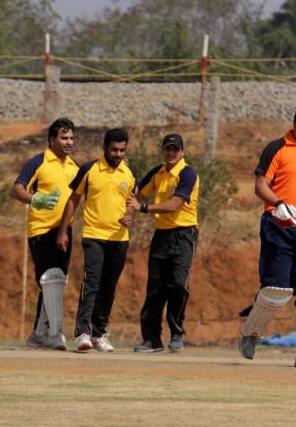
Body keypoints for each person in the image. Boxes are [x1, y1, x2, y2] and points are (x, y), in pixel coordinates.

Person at [238, 104, 296, 368]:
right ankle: (252, 332)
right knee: (277, 290)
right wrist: (278, 203)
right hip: (280, 227)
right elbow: (260, 186)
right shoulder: (277, 148)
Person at [57, 128, 137, 353]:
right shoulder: (89, 170)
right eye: (114, 149)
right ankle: (82, 332)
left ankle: (99, 333)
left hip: (119, 238)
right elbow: (72, 201)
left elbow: (134, 202)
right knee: (91, 282)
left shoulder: (130, 173)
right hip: (93, 236)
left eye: (122, 150)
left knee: (109, 288)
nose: (118, 154)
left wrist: (130, 215)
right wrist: (63, 231)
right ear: (104, 148)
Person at [10, 118, 79, 350]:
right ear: (52, 139)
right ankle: (56, 334)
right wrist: (36, 199)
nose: (68, 142)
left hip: (64, 231)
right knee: (52, 278)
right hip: (40, 229)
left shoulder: (74, 167)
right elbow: (16, 189)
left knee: (56, 284)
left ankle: (39, 334)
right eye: (64, 137)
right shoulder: (38, 162)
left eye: (71, 138)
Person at [127, 133, 199, 353]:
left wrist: (144, 209)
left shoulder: (187, 174)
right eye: (167, 149)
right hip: (162, 236)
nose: (170, 153)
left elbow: (173, 205)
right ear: (162, 150)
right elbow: (135, 196)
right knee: (155, 288)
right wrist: (129, 214)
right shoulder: (157, 172)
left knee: (178, 284)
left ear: (182, 152)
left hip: (184, 235)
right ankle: (152, 339)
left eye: (174, 149)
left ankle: (176, 332)